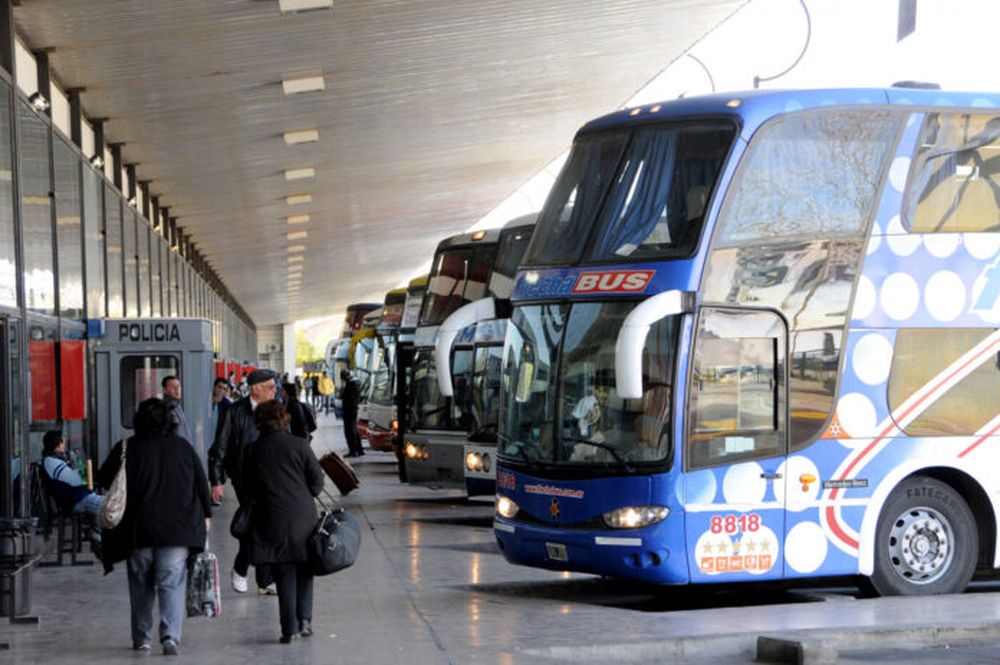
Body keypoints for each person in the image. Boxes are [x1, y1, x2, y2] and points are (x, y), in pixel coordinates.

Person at [97, 398, 211, 655]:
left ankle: (142, 639)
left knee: (141, 584)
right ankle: (170, 636)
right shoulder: (182, 447)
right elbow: (201, 484)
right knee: (172, 582)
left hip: (138, 530)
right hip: (176, 529)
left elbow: (104, 478)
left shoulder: (126, 447)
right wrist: (205, 515)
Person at [245, 401, 325, 643]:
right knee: (305, 568)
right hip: (302, 515)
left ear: (259, 421)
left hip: (270, 516)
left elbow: (246, 487)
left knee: (283, 572)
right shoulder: (300, 445)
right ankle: (305, 621)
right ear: (284, 419)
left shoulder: (253, 450)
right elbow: (317, 483)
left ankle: (287, 629)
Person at [208, 368, 278, 594]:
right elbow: (219, 447)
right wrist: (217, 480)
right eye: (270, 387)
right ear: (255, 389)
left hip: (271, 476)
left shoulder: (276, 409)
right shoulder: (234, 412)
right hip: (244, 477)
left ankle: (262, 580)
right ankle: (243, 570)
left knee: (263, 524)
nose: (274, 390)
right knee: (257, 522)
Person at [41, 430, 104, 519]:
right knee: (114, 505)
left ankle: (97, 530)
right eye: (63, 443)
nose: (64, 447)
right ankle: (97, 531)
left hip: (81, 497)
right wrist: (78, 462)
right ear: (59, 445)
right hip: (77, 500)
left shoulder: (54, 460)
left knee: (115, 503)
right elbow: (80, 480)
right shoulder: (52, 462)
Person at [209, 378, 234, 505]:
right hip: (207, 438)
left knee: (218, 466)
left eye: (224, 389)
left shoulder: (227, 406)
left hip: (219, 440)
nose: (221, 391)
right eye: (219, 387)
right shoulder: (206, 402)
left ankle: (217, 494)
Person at [161, 375, 193, 446]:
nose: (177, 389)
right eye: (173, 387)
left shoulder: (178, 406)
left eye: (178, 386)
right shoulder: (166, 409)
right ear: (164, 390)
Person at [340, 369, 364, 457]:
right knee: (354, 429)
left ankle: (353, 451)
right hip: (353, 409)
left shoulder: (351, 384)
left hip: (349, 410)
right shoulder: (355, 383)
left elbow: (348, 398)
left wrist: (342, 394)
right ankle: (360, 449)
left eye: (342, 378)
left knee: (349, 430)